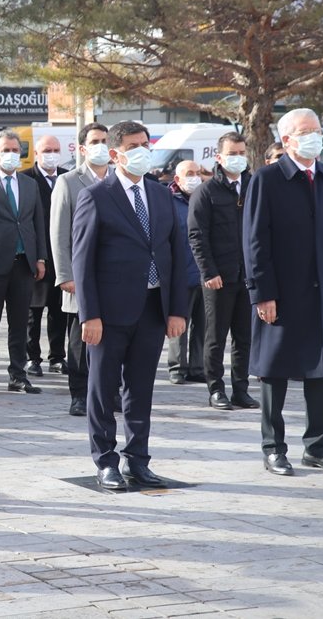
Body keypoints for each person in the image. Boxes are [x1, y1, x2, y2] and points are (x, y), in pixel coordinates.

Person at [72, 121, 188, 489]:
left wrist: (177, 310)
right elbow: (82, 260)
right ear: (115, 153)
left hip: (153, 308)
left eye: (145, 144)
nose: (142, 151)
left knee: (140, 389)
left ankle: (138, 459)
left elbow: (175, 253)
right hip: (108, 313)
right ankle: (105, 461)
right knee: (102, 389)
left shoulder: (160, 194)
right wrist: (89, 314)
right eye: (134, 145)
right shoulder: (95, 196)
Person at [243, 108, 323, 477]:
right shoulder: (267, 179)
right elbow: (255, 241)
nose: (314, 137)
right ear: (287, 139)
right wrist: (262, 293)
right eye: (306, 131)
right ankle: (273, 447)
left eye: (318, 130)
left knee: (321, 372)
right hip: (281, 293)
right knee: (274, 372)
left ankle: (318, 447)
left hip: (322, 291)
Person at [188, 132, 259, 411]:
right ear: (219, 157)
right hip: (218, 277)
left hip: (248, 276)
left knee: (244, 337)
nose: (238, 158)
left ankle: (241, 389)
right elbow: (196, 235)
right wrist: (208, 271)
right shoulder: (206, 192)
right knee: (215, 337)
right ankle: (216, 389)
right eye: (232, 153)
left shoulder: (254, 186)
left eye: (242, 152)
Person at [0, 129, 46, 396]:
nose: (12, 155)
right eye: (6, 150)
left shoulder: (29, 184)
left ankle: (18, 374)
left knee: (20, 323)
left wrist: (40, 258)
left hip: (23, 263)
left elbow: (37, 222)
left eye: (16, 150)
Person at [51, 123, 113, 417]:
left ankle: (108, 393)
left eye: (106, 140)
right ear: (83, 148)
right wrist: (65, 275)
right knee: (80, 337)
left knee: (111, 338)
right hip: (80, 275)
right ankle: (78, 393)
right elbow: (59, 232)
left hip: (114, 275)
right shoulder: (68, 182)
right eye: (96, 141)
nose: (101, 145)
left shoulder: (119, 179)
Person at [21, 134, 68, 377]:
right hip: (38, 255)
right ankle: (32, 357)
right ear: (37, 154)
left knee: (60, 310)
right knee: (33, 310)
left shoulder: (66, 177)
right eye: (47, 149)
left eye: (56, 149)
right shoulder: (26, 179)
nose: (52, 154)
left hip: (62, 256)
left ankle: (57, 357)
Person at [165, 160, 207, 386]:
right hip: (180, 275)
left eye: (198, 173)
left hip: (205, 274)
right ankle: (177, 367)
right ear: (177, 179)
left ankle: (197, 367)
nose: (195, 177)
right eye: (189, 173)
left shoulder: (205, 199)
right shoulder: (169, 201)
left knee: (202, 325)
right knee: (178, 323)